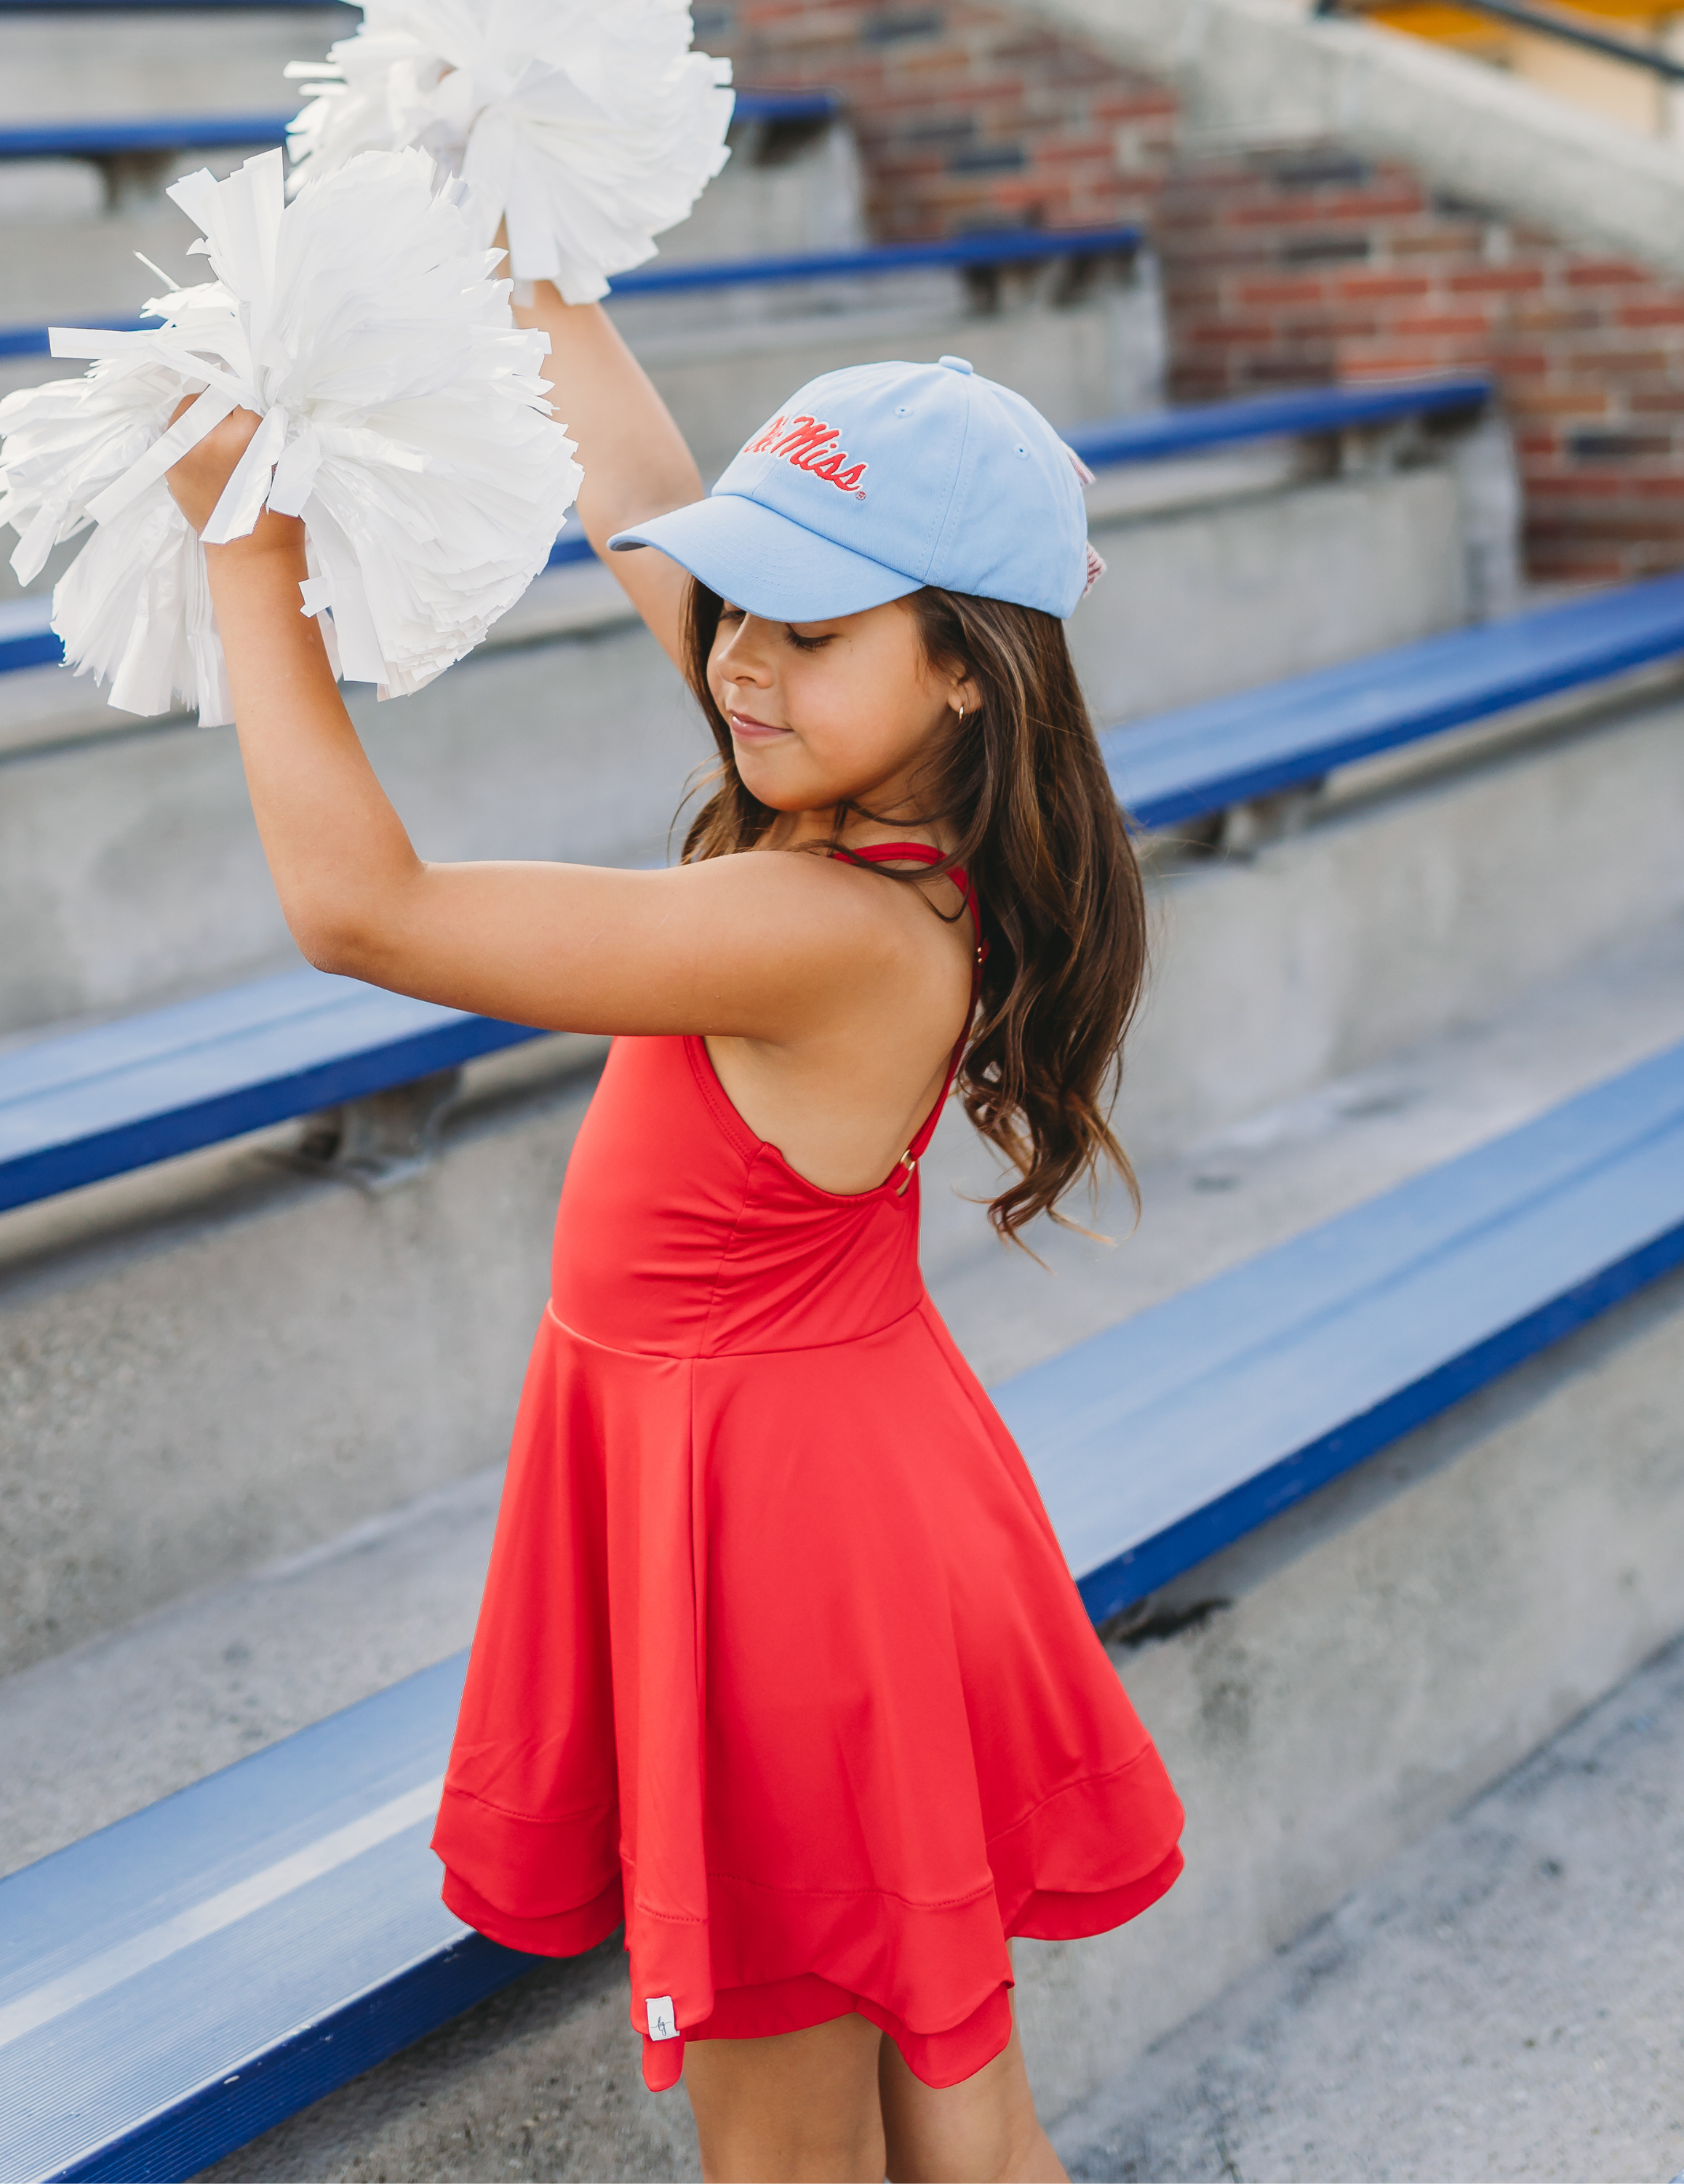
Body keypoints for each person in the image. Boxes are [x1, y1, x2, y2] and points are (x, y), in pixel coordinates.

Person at [163, 278, 1184, 2184]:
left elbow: (364, 913)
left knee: (794, 2141)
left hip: (785, 1559)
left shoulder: (825, 927)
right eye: (736, 599)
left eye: (805, 625)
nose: (737, 660)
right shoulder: (853, 800)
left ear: (968, 665)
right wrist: (535, 271)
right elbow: (635, 484)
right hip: (835, 1486)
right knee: (954, 2105)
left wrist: (249, 549)